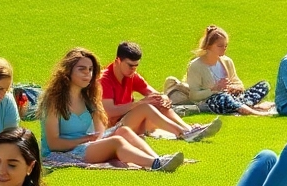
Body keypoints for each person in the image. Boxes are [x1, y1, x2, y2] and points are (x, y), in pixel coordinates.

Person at [39, 48, 184, 172]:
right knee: (117, 141)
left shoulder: (89, 98)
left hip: (86, 145)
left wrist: (98, 137)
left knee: (123, 131)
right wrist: (87, 139)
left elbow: (100, 131)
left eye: (90, 70)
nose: (87, 74)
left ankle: (157, 159)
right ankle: (155, 164)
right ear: (68, 71)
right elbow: (53, 144)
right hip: (62, 153)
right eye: (81, 69)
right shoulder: (54, 101)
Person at [100, 41, 220, 142]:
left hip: (130, 123)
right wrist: (139, 103)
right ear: (118, 61)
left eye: (136, 66)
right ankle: (183, 132)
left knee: (157, 101)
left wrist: (163, 98)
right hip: (111, 129)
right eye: (130, 66)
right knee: (145, 107)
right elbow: (109, 112)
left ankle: (188, 129)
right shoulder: (104, 79)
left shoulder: (131, 75)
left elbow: (152, 93)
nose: (133, 70)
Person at [185, 26, 273, 116]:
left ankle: (239, 106)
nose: (224, 49)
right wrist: (214, 90)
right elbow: (193, 96)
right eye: (220, 46)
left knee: (264, 85)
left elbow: (239, 84)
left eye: (225, 46)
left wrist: (233, 87)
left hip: (233, 97)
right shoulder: (195, 66)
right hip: (211, 101)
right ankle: (253, 111)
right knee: (223, 97)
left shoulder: (227, 61)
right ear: (208, 46)